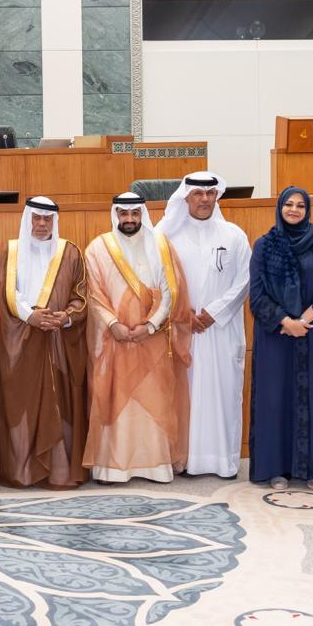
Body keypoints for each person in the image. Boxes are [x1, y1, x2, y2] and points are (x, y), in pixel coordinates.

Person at [83, 193, 192, 484]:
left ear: (142, 214)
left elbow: (170, 292)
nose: (129, 219)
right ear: (115, 214)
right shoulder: (98, 248)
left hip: (151, 339)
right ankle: (113, 469)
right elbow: (94, 295)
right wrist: (114, 324)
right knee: (116, 401)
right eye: (123, 213)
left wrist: (151, 325)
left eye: (134, 213)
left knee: (154, 399)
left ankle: (155, 466)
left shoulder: (161, 245)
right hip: (114, 339)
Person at [248, 186, 313, 491]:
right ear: (279, 208)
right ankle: (276, 469)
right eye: (288, 204)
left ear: (308, 210)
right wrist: (285, 321)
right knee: (274, 398)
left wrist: (305, 319)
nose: (294, 209)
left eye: (300, 205)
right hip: (274, 334)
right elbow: (256, 294)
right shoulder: (264, 245)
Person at [157, 173, 251, 479]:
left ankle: (222, 462)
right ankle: (185, 459)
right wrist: (182, 312)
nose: (205, 199)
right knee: (184, 393)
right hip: (182, 328)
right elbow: (157, 282)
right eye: (198, 193)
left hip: (221, 329)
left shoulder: (233, 235)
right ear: (185, 197)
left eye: (211, 193)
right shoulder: (168, 236)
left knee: (223, 392)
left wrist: (214, 312)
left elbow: (246, 279)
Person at [0, 197, 89, 489]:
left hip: (59, 340)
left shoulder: (70, 252)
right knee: (22, 403)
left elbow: (81, 296)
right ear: (28, 219)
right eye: (37, 218)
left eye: (48, 219)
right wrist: (30, 316)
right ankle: (23, 471)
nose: (42, 224)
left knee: (60, 404)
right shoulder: (11, 251)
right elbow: (5, 293)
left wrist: (66, 318)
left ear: (54, 222)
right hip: (21, 340)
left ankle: (60, 472)